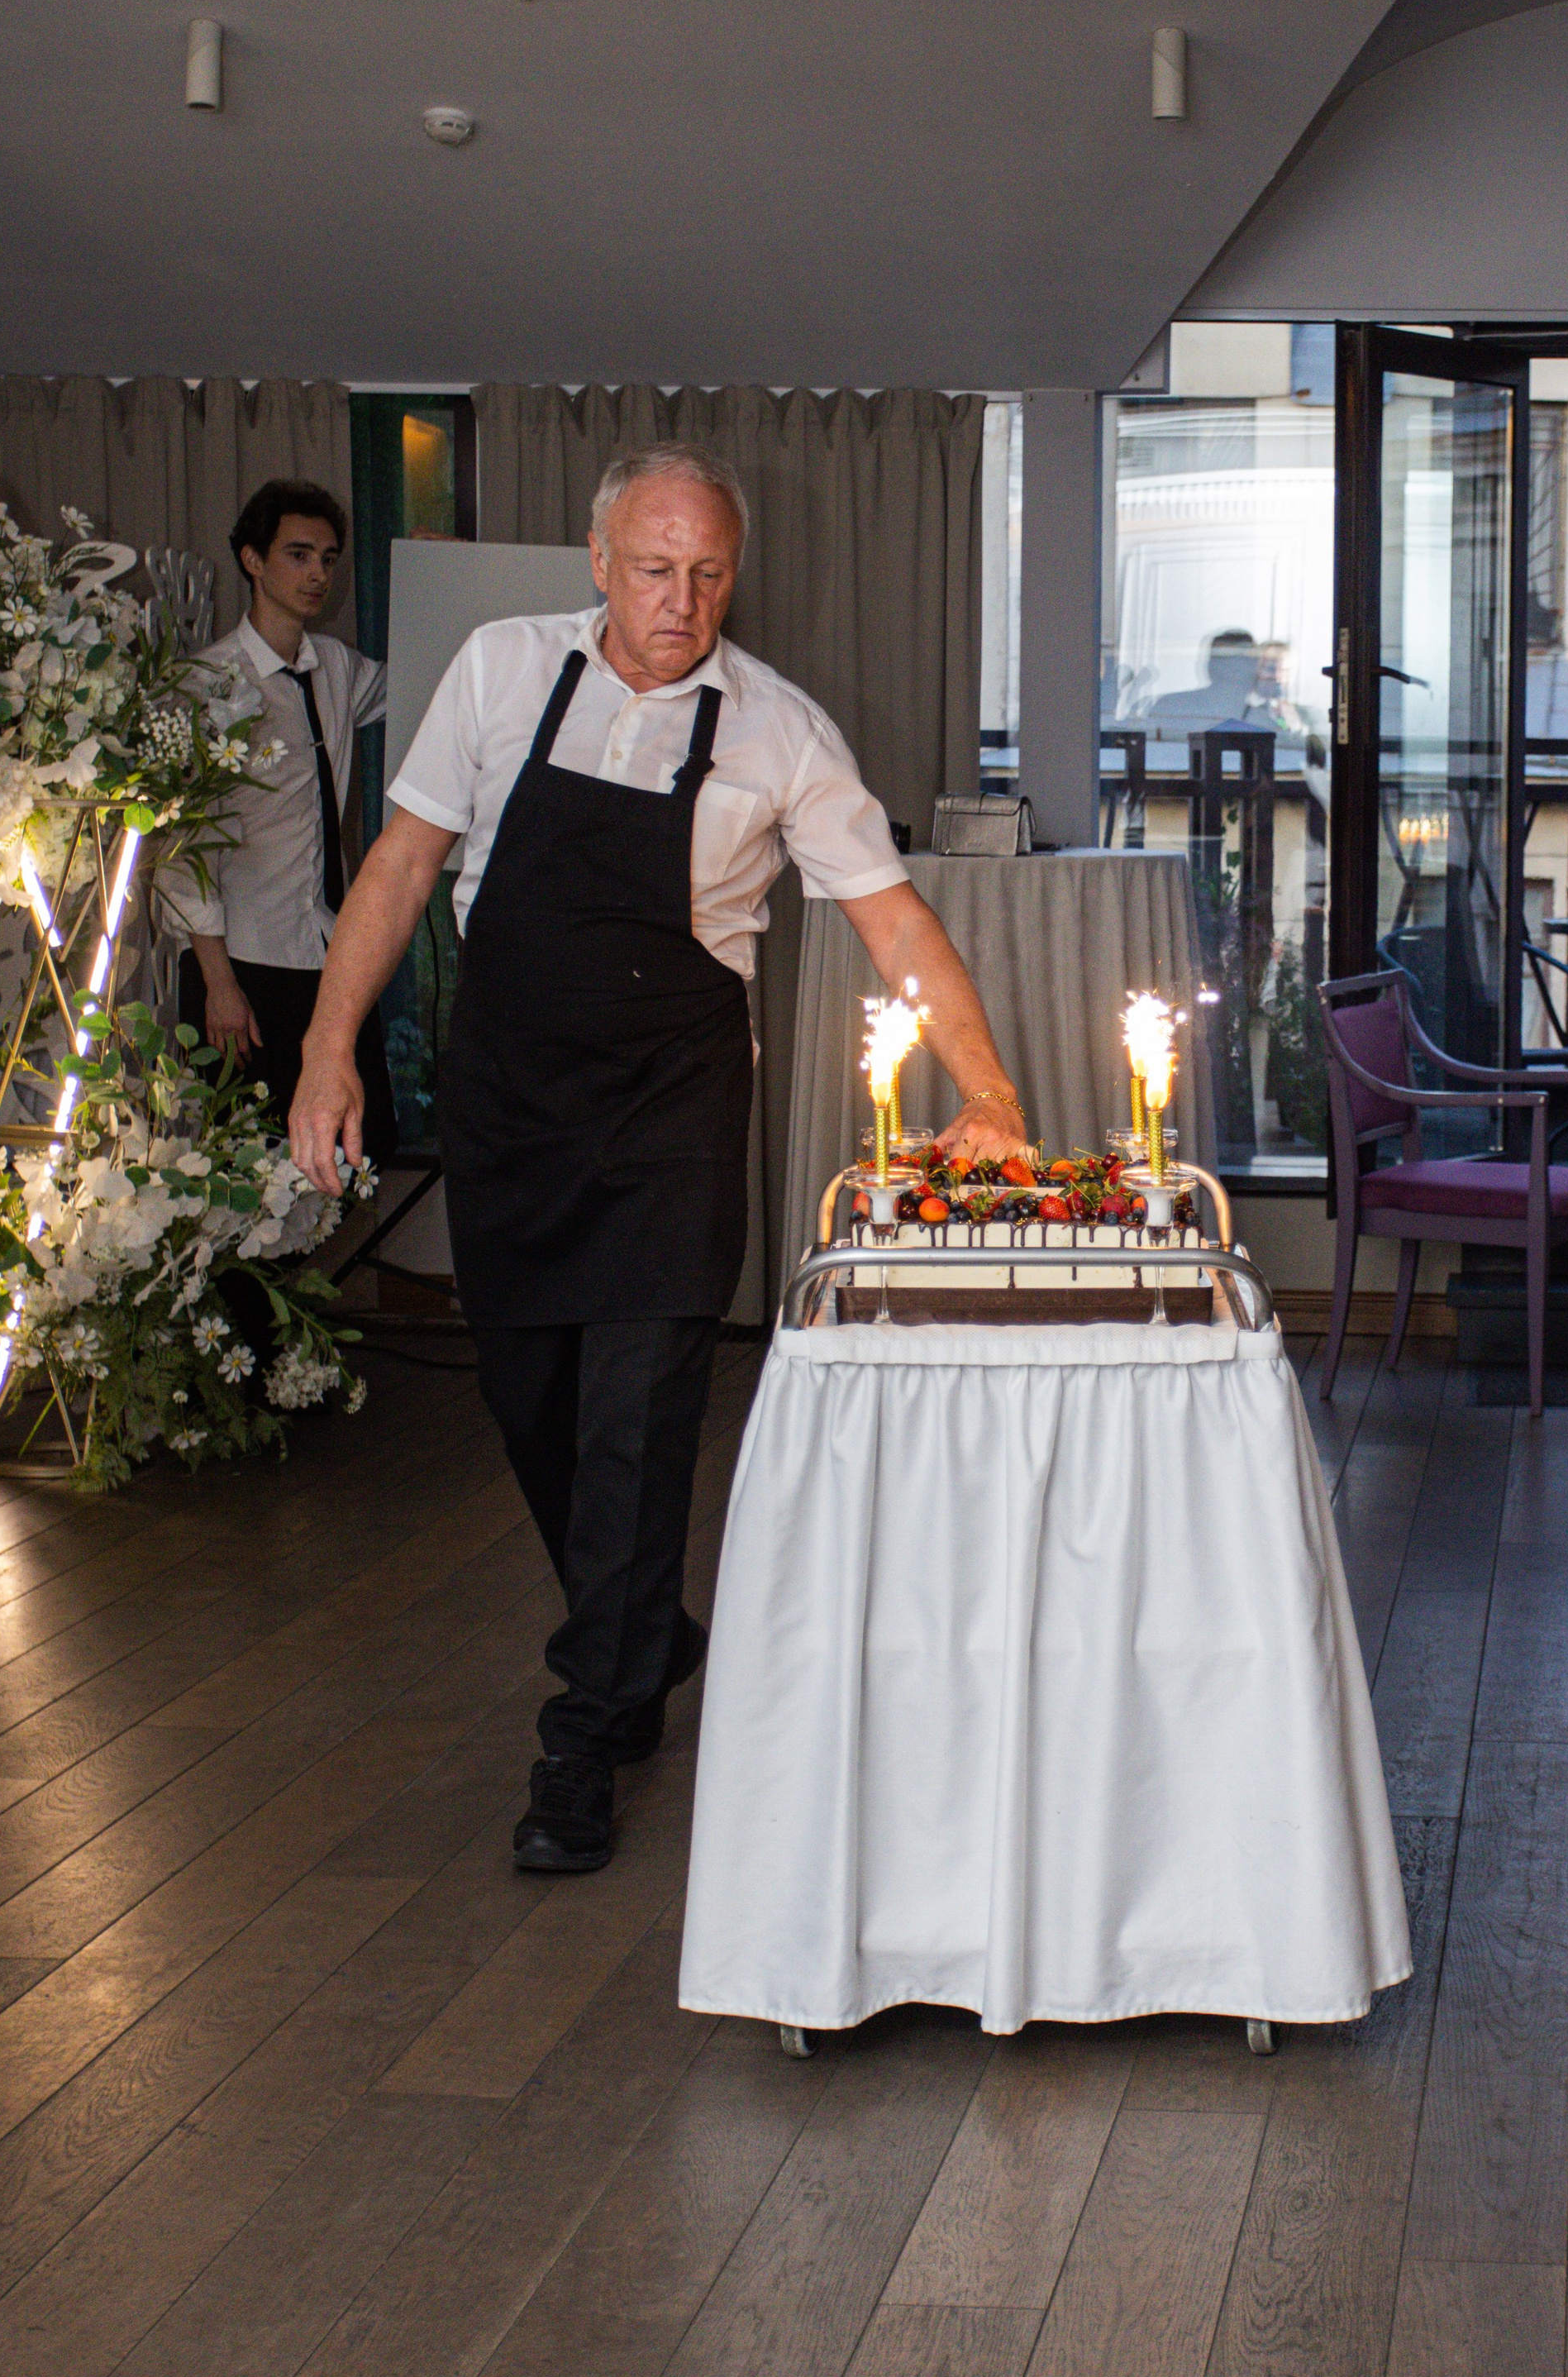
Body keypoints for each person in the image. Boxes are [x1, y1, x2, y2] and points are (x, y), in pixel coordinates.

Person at [289, 442, 1029, 1878]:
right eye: (653, 567)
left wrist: (989, 1089)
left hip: (673, 1115)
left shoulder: (779, 730)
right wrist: (329, 1048)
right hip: (512, 1101)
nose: (681, 599)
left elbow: (895, 923)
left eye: (707, 573)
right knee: (533, 1406)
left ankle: (583, 1738)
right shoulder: (504, 672)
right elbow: (397, 864)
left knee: (637, 1424)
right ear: (597, 559)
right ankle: (644, 1635)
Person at [168, 480, 400, 1163]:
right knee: (245, 1171)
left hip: (328, 952)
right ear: (252, 560)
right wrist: (219, 983)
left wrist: (432, 574)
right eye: (299, 555)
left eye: (328, 559)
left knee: (344, 1161)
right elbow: (182, 847)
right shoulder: (203, 684)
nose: (318, 575)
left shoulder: (335, 666)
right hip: (244, 961)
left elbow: (426, 682)